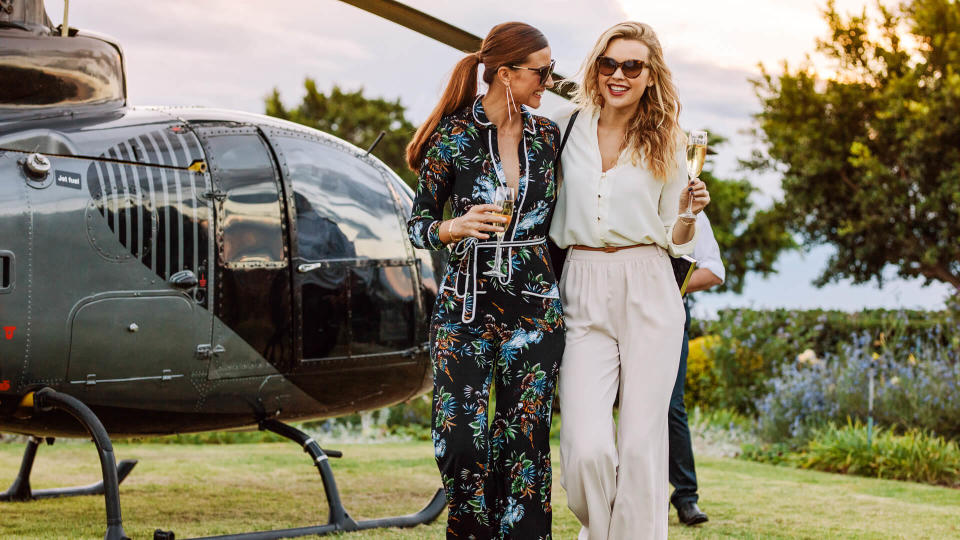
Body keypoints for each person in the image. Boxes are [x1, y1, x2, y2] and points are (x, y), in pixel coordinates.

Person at [548, 21, 711, 540]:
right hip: (581, 279)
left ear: (650, 75)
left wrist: (688, 211)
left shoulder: (669, 139)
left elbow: (679, 241)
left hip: (648, 282)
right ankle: (600, 531)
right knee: (585, 444)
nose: (619, 75)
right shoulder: (564, 125)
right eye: (609, 63)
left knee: (642, 446)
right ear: (596, 67)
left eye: (632, 66)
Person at [405, 22, 565, 539]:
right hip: (465, 306)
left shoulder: (548, 136)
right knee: (461, 442)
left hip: (535, 306)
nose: (549, 81)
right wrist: (452, 227)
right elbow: (417, 224)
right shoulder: (451, 136)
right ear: (506, 72)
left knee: (524, 441)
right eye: (542, 72)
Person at [669, 211, 725, 526]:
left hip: (671, 309)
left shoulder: (690, 207)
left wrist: (669, 285)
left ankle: (686, 496)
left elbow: (714, 270)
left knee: (671, 403)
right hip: (618, 306)